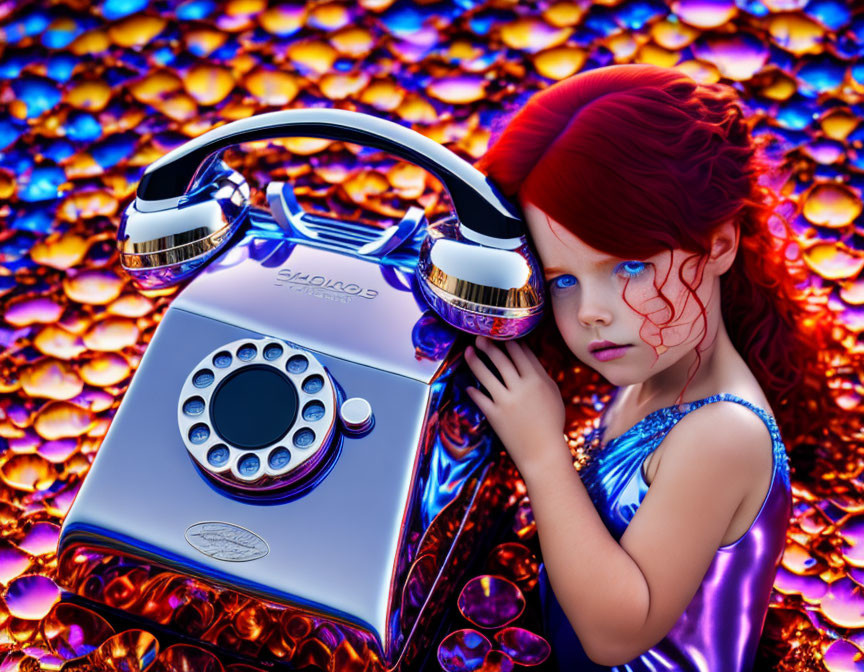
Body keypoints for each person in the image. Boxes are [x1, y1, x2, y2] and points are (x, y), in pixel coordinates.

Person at [461, 63, 828, 671]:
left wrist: (541, 451)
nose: (592, 315)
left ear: (719, 245)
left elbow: (616, 635)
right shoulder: (653, 374)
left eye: (629, 267)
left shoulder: (723, 436)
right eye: (563, 281)